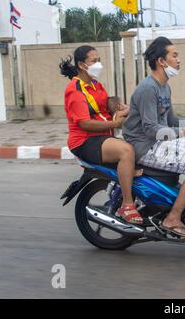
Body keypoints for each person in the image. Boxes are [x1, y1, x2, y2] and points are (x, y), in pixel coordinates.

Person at [123, 37, 185, 239]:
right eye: (174, 55)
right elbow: (151, 129)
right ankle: (173, 218)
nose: (178, 59)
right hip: (145, 145)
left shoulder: (165, 87)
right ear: (161, 61)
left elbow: (171, 120)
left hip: (159, 141)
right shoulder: (148, 88)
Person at [59, 45, 143, 224]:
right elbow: (85, 123)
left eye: (99, 60)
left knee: (139, 147)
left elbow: (106, 105)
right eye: (94, 61)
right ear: (82, 65)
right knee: (126, 151)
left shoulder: (96, 84)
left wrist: (128, 108)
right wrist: (115, 123)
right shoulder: (74, 90)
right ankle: (128, 205)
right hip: (84, 141)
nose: (99, 64)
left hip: (102, 137)